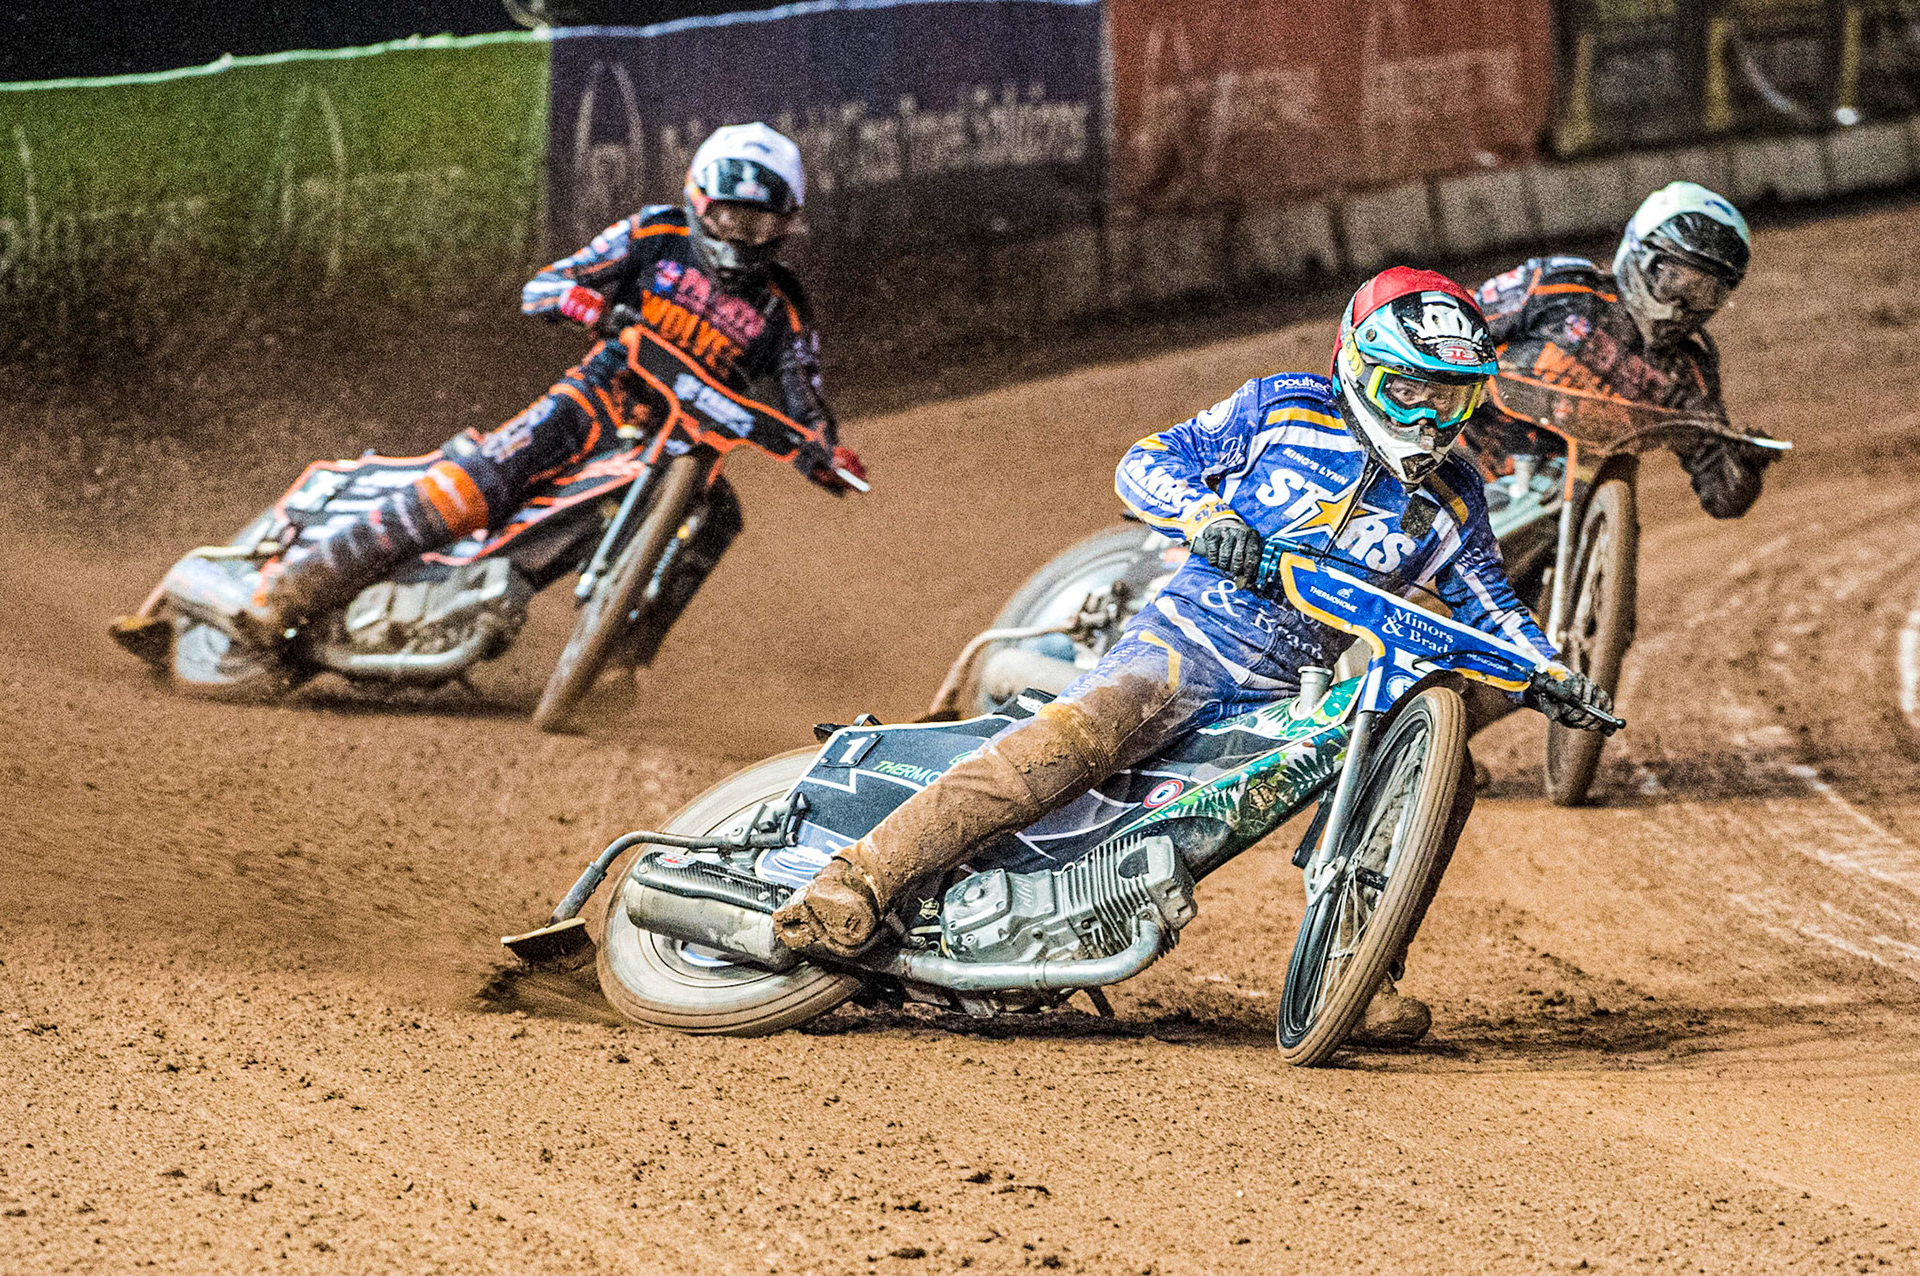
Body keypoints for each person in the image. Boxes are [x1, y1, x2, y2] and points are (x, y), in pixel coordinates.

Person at [770, 267, 1614, 1046]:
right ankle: (857, 881)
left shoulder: (1453, 494)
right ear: (1356, 367)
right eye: (1410, 392)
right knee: (1083, 732)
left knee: (1444, 769)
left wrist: (1555, 675)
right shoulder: (1285, 408)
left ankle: (1368, 966)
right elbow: (1149, 461)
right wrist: (1207, 519)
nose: (1429, 420)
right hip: (1183, 642)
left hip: (1290, 693)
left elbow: (1494, 607)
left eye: (1452, 401)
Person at [239, 122, 863, 644]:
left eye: (755, 226)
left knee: (720, 517)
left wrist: (825, 453)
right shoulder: (655, 234)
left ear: (785, 226)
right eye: (729, 218)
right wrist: (592, 309)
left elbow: (804, 396)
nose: (738, 238)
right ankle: (294, 587)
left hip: (681, 449)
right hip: (598, 400)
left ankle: (621, 658)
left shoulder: (786, 307)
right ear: (700, 203)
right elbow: (545, 286)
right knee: (485, 479)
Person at [1464, 181, 1773, 520]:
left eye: (1702, 293)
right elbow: (1458, 328)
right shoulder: (1562, 288)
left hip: (1566, 514)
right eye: (1672, 279)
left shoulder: (1687, 374)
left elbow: (1723, 497)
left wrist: (1744, 464)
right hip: (1461, 465)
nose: (1679, 305)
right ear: (1640, 253)